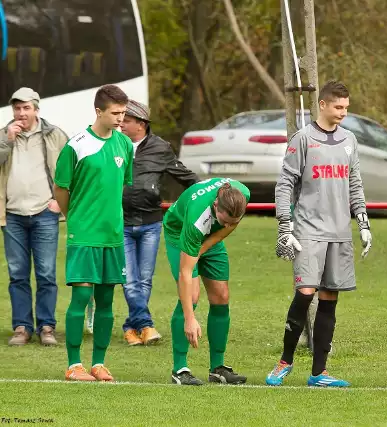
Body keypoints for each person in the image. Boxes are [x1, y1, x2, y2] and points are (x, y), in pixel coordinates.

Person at [265, 80, 372, 388]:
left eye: (346, 108)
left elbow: (355, 184)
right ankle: (285, 361)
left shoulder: (349, 140)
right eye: (338, 107)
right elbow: (284, 184)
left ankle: (319, 373)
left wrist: (363, 222)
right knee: (305, 292)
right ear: (322, 105)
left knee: (329, 297)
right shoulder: (303, 139)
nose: (343, 113)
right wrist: (285, 225)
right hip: (308, 230)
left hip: (340, 232)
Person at [53, 84, 134, 381]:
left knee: (107, 301)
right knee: (81, 296)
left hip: (112, 235)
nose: (120, 119)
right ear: (98, 111)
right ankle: (74, 365)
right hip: (84, 233)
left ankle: (98, 363)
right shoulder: (76, 145)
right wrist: (73, 217)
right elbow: (61, 187)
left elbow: (120, 184)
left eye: (123, 113)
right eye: (115, 113)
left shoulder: (124, 145)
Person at [118, 99, 199, 346]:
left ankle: (131, 329)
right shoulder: (113, 144)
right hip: (120, 224)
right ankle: (146, 325)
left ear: (141, 124)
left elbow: (188, 178)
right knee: (129, 279)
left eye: (127, 121)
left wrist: (200, 201)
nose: (121, 124)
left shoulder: (160, 147)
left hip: (151, 224)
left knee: (143, 279)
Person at [163, 177, 250, 386]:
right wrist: (189, 319)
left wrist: (206, 247)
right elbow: (185, 272)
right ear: (215, 205)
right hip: (180, 233)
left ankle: (217, 368)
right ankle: (180, 369)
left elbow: (228, 225)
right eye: (225, 220)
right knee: (191, 296)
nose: (230, 225)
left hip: (211, 234)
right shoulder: (196, 218)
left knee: (221, 296)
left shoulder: (242, 196)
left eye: (234, 221)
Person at [0, 87, 67, 346]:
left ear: (36, 110)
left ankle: (47, 327)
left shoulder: (54, 135)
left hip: (44, 214)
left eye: (26, 108)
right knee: (18, 275)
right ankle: (22, 327)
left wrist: (58, 201)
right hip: (13, 216)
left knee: (46, 274)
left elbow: (71, 169)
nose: (21, 113)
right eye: (17, 108)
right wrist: (7, 140)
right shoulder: (4, 135)